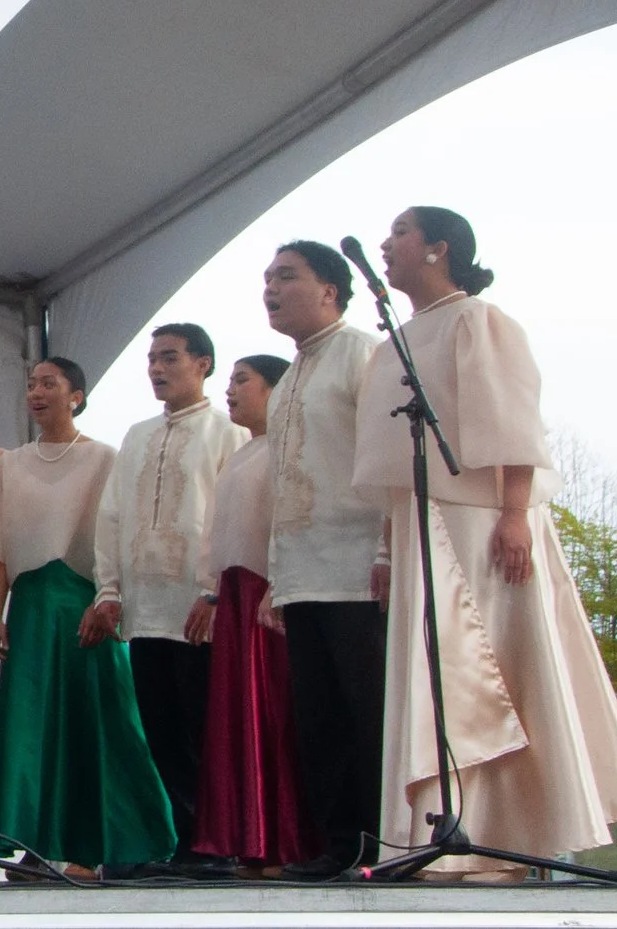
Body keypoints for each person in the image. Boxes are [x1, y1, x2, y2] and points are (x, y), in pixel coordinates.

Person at [353, 208, 617, 875]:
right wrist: (389, 549)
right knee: (437, 675)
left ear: (439, 248)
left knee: (503, 669)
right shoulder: (392, 341)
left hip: (484, 520)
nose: (386, 245)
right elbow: (397, 463)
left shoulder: (478, 319)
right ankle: (449, 833)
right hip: (423, 522)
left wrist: (516, 515)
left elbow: (513, 423)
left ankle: (527, 831)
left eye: (400, 232)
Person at [0, 357, 173, 876]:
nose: (37, 393)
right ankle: (31, 846)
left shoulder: (105, 458)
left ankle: (90, 849)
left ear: (76, 395)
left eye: (49, 384)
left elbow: (113, 536)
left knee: (93, 721)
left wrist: (108, 599)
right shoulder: (6, 463)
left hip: (84, 602)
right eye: (32, 385)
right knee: (30, 725)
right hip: (33, 606)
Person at [79, 322, 246, 875]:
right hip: (145, 610)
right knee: (161, 730)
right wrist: (108, 590)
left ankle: (219, 844)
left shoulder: (226, 433)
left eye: (169, 358)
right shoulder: (137, 435)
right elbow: (112, 516)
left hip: (198, 608)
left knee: (205, 728)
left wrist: (214, 592)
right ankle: (185, 841)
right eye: (151, 358)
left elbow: (232, 519)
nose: (156, 368)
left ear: (203, 363)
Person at [260, 239, 387, 878]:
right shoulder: (289, 380)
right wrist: (276, 579)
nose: (270, 290)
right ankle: (338, 846)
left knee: (367, 714)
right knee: (318, 721)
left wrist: (389, 550)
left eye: (286, 277)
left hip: (358, 568)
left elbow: (391, 462)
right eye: (267, 280)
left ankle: (378, 844)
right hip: (303, 575)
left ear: (331, 291)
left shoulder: (363, 354)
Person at [187, 353, 315, 872]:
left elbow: (289, 519)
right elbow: (219, 532)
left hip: (268, 590)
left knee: (271, 717)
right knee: (235, 720)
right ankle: (248, 841)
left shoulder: (287, 451)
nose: (231, 390)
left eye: (243, 380)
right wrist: (213, 593)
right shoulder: (241, 454)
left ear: (276, 389)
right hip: (235, 590)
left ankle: (284, 842)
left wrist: (278, 580)